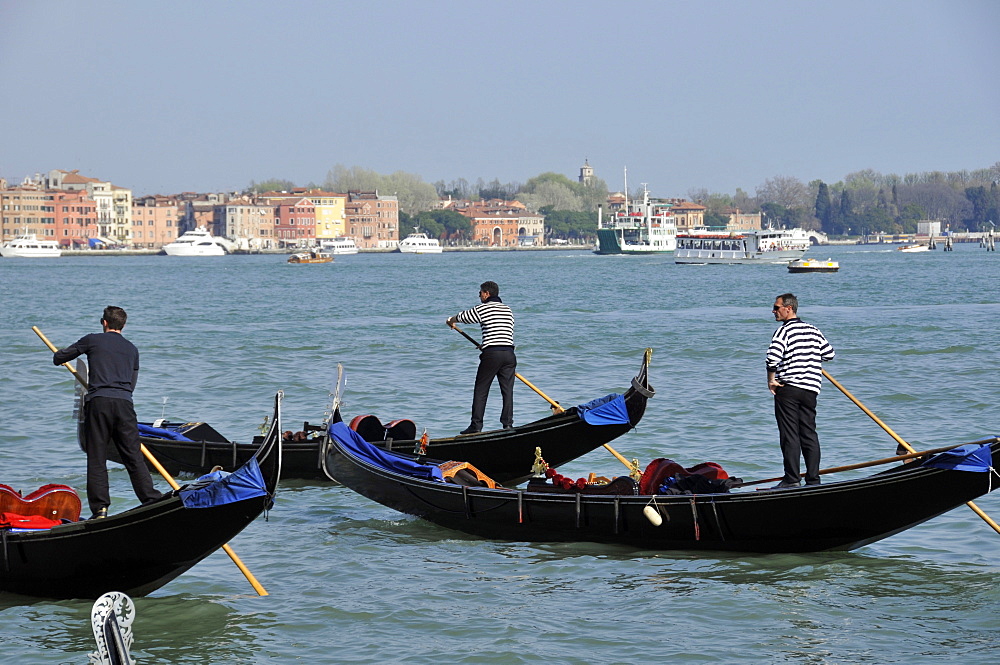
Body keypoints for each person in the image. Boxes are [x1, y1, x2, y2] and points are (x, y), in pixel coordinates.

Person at [53, 306, 162, 519]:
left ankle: (100, 509)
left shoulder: (92, 340)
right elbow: (131, 384)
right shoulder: (132, 349)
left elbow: (61, 357)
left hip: (99, 402)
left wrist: (57, 355)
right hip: (124, 404)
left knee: (97, 457)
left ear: (104, 322)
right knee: (133, 456)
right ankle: (150, 498)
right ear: (123, 325)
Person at [766, 293, 835, 488]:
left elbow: (772, 358)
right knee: (809, 433)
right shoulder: (813, 329)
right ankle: (813, 480)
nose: (773, 311)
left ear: (789, 308)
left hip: (788, 388)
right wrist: (809, 355)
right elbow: (829, 354)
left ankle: (791, 479)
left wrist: (771, 380)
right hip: (811, 389)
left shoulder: (783, 331)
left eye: (776, 307)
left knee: (790, 434)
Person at [446, 281, 516, 434]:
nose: (479, 296)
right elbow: (501, 333)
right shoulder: (508, 310)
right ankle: (508, 424)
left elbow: (465, 317)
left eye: (480, 293)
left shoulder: (484, 308)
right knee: (507, 391)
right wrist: (485, 345)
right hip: (509, 354)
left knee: (481, 390)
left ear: (486, 294)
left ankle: (475, 426)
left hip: (492, 355)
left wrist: (451, 320)